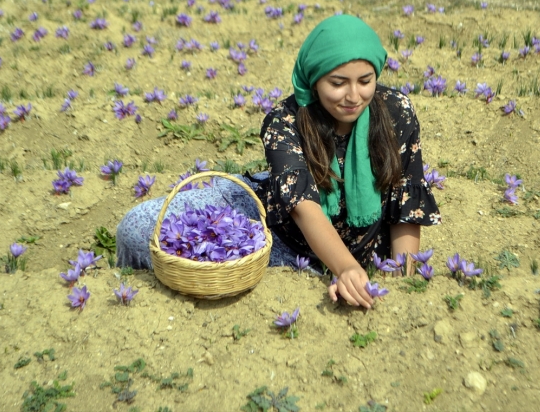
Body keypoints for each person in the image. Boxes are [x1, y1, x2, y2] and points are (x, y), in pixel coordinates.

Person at [115, 15, 440, 309]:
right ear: (314, 79)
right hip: (284, 232)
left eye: (365, 80)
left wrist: (405, 274)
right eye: (338, 83)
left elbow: (405, 194)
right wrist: (346, 268)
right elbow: (303, 206)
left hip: (358, 240)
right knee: (135, 226)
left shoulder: (396, 110)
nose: (353, 96)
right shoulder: (285, 120)